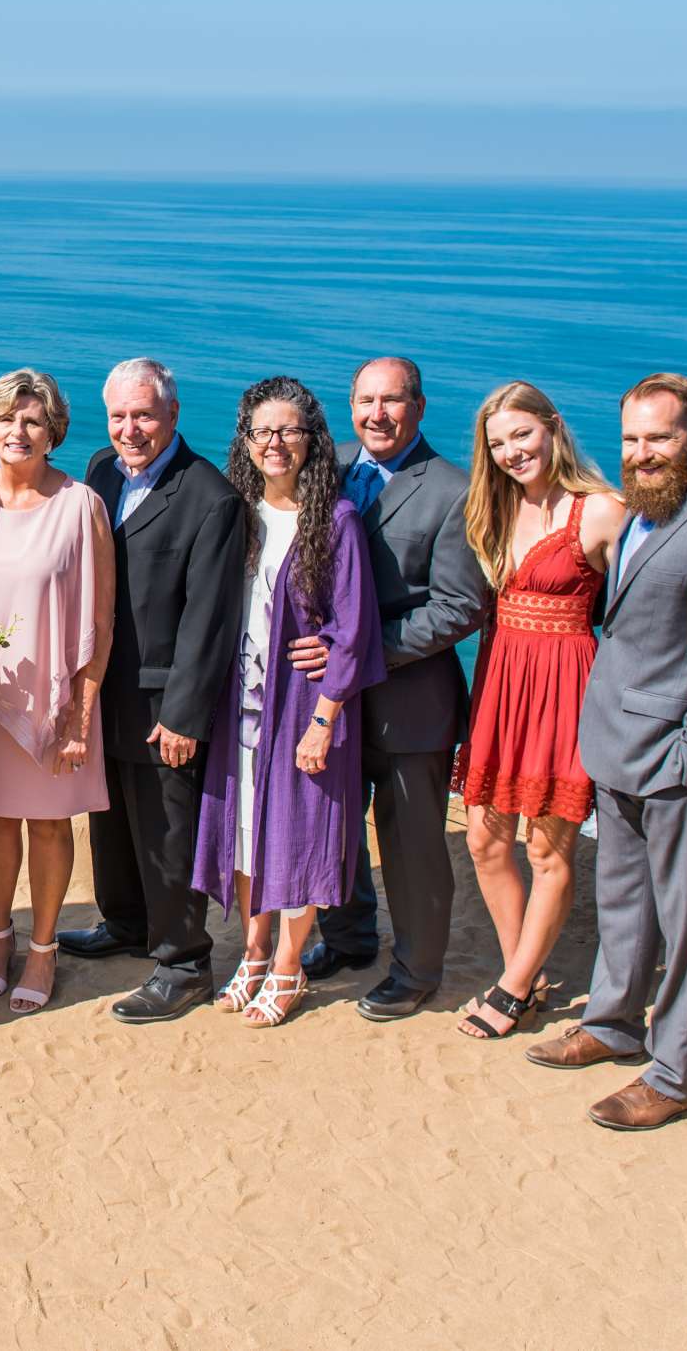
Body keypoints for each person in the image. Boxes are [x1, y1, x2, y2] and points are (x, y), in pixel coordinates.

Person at [527, 374, 687, 1130]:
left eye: (660, 438)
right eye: (632, 439)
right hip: (617, 745)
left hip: (677, 762)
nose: (643, 454)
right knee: (624, 900)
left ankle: (674, 1076)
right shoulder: (640, 512)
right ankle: (612, 1024)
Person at [292, 356, 490, 1020]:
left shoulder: (455, 490)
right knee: (336, 830)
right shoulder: (329, 466)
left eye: (392, 401)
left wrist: (356, 652)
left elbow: (459, 608)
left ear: (420, 407)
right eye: (365, 400)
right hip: (331, 702)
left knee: (412, 848)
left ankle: (417, 971)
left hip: (410, 703)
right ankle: (348, 941)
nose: (377, 414)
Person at [55, 358, 246, 1023]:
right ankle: (126, 922)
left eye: (143, 415)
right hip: (105, 687)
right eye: (118, 416)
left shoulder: (211, 497)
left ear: (172, 415)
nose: (129, 429)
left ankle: (184, 960)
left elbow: (210, 619)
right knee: (110, 819)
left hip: (166, 700)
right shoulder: (102, 471)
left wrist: (187, 716)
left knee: (168, 831)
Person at [192, 378, 385, 1027]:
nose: (275, 443)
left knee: (299, 840)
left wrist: (324, 720)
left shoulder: (336, 522)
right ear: (246, 441)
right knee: (247, 835)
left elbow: (354, 631)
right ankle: (252, 952)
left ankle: (289, 967)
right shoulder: (239, 512)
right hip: (240, 709)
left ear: (312, 441)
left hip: (304, 709)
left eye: (289, 431)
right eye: (262, 432)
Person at [450, 382, 626, 1041]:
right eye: (498, 444)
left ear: (553, 427)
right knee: (484, 840)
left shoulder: (604, 511)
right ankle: (522, 968)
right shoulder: (493, 509)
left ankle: (516, 987)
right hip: (500, 685)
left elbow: (638, 612)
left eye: (522, 435)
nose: (512, 452)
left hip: (567, 694)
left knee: (548, 850)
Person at [0, 369, 114, 1015]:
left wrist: (81, 715)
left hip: (56, 698)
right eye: (5, 419)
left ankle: (43, 950)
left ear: (54, 432)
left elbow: (101, 621)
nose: (17, 431)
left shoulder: (82, 504)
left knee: (50, 825)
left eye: (32, 420)